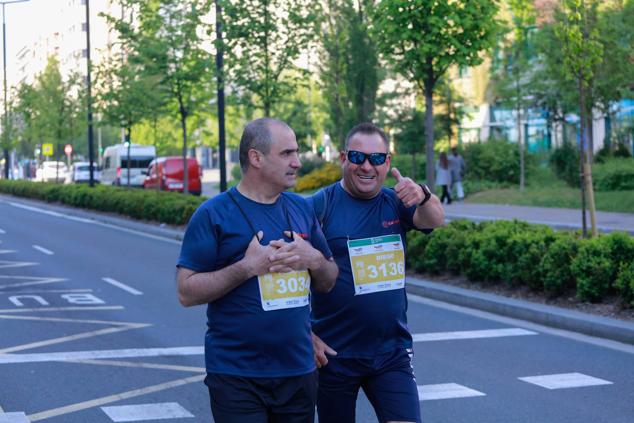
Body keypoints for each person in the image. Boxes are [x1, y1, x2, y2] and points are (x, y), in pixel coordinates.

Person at [176, 117, 339, 423]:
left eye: (297, 152)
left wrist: (314, 259)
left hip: (298, 371)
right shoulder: (213, 214)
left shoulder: (301, 208)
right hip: (237, 375)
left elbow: (329, 281)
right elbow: (186, 291)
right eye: (287, 153)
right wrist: (247, 267)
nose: (297, 162)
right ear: (256, 157)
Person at [309, 122, 445, 423]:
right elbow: (285, 271)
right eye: (358, 157)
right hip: (333, 356)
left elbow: (433, 219)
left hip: (391, 352)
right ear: (344, 158)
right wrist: (304, 333)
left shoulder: (396, 202)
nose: (367, 166)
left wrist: (423, 195)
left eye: (377, 159)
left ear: (388, 162)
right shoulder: (320, 205)